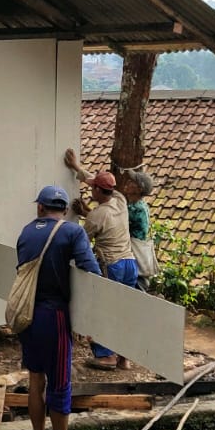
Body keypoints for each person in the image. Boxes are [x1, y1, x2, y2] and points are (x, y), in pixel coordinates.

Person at [16, 185, 102, 430]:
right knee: (60, 384)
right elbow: (93, 272)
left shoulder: (26, 231)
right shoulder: (72, 231)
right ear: (64, 210)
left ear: (40, 207)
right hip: (55, 317)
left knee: (36, 380)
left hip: (28, 316)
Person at [64, 148, 138, 370]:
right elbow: (92, 183)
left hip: (112, 265)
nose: (90, 189)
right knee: (123, 310)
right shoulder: (120, 200)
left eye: (93, 187)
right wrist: (76, 168)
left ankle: (106, 355)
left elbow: (82, 240)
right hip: (130, 263)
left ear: (98, 190)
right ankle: (125, 357)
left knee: (104, 310)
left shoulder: (96, 215)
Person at [118, 168, 156, 290]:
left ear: (139, 189)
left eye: (132, 182)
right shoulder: (135, 205)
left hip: (134, 258)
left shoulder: (136, 208)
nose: (127, 183)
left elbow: (111, 219)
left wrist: (86, 212)